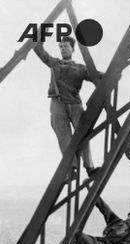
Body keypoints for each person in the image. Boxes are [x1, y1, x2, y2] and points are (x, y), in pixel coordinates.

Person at [34, 36, 102, 179]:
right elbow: (39, 50)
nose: (63, 49)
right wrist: (41, 36)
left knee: (84, 135)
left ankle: (90, 168)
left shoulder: (81, 68)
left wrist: (110, 75)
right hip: (58, 104)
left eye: (65, 46)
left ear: (72, 49)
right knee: (64, 138)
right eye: (61, 47)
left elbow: (97, 76)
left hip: (75, 105)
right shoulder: (55, 63)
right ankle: (71, 169)